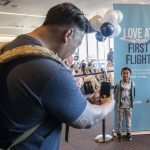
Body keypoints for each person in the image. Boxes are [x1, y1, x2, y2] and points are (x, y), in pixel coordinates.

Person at [0, 3, 114, 150]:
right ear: (68, 34)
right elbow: (87, 119)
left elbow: (37, 100)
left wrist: (82, 101)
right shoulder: (50, 70)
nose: (73, 53)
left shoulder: (10, 49)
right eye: (77, 45)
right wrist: (109, 104)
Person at [114, 67, 135, 142]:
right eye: (124, 73)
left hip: (129, 105)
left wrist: (132, 103)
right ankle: (119, 133)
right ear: (121, 74)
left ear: (130, 74)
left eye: (127, 73)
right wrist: (117, 102)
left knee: (128, 120)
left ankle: (128, 133)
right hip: (121, 105)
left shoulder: (132, 83)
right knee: (120, 120)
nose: (125, 75)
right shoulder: (119, 83)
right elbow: (116, 94)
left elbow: (133, 94)